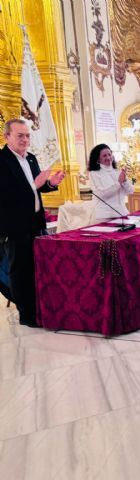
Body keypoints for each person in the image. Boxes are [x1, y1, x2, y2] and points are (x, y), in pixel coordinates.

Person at [0, 118, 65, 327]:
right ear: (6, 136)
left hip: (36, 224)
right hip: (15, 226)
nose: (25, 139)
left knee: (39, 268)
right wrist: (34, 185)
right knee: (21, 271)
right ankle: (27, 316)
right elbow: (5, 196)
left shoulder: (31, 159)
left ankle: (40, 307)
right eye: (20, 135)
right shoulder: (1, 161)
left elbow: (37, 187)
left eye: (27, 135)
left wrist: (50, 184)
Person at [88, 144, 134, 220]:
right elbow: (101, 194)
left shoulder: (118, 171)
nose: (108, 157)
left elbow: (131, 191)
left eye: (109, 154)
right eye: (104, 156)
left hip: (123, 213)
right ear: (98, 159)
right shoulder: (94, 174)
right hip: (105, 216)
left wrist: (124, 181)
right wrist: (118, 183)